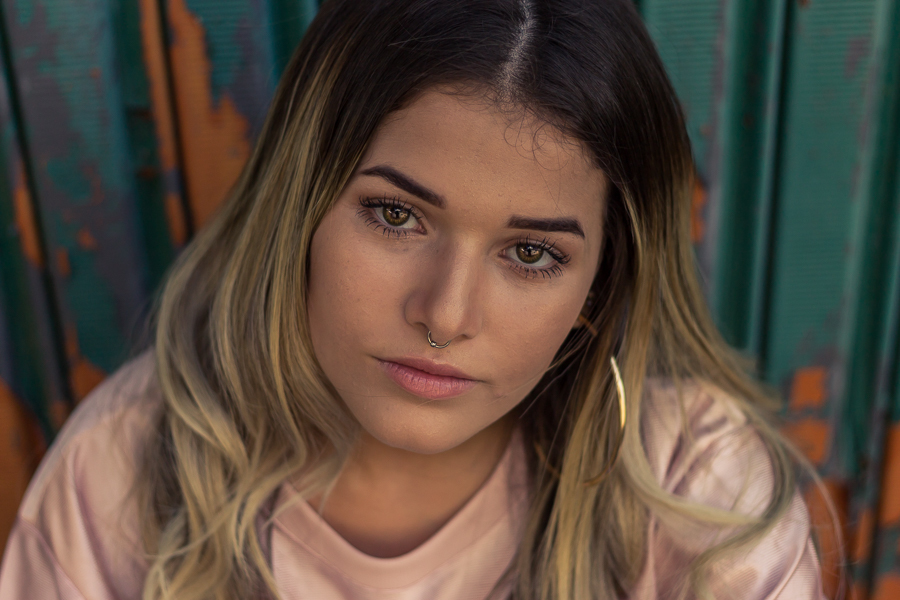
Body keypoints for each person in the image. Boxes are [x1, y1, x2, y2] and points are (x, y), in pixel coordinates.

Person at [0, 0, 828, 598]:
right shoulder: (124, 470)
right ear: (302, 209)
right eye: (396, 215)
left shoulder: (698, 496)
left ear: (598, 287)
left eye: (532, 253)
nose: (444, 314)